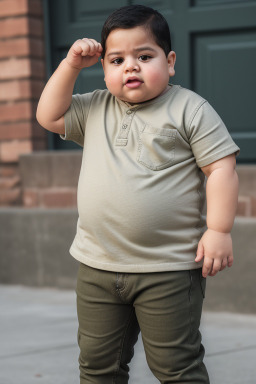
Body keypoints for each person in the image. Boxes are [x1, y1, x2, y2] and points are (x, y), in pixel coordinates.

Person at [36, 5, 239, 384]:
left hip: (169, 268)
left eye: (144, 56)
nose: (130, 67)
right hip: (97, 266)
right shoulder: (96, 106)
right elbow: (48, 116)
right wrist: (70, 66)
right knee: (97, 366)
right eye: (117, 60)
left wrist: (219, 229)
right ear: (105, 68)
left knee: (177, 366)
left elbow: (221, 168)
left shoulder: (189, 109)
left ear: (170, 61)